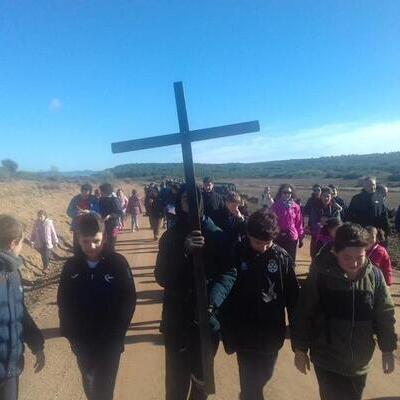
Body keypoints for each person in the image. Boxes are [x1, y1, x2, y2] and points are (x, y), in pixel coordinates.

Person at [293, 223, 397, 400]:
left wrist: (387, 348)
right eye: (347, 257)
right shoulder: (320, 275)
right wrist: (300, 349)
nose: (354, 263)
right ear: (335, 252)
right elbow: (304, 313)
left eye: (360, 257)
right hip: (327, 360)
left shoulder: (375, 277)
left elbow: (385, 314)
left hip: (360, 362)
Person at [154, 184, 236, 400]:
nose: (188, 204)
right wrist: (183, 251)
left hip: (206, 320)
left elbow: (229, 273)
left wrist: (211, 302)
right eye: (184, 200)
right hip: (176, 320)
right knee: (176, 381)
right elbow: (162, 277)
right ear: (179, 203)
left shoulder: (217, 235)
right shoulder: (170, 237)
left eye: (193, 199)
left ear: (201, 202)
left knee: (201, 381)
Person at [57, 213, 136, 400]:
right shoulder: (71, 267)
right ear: (77, 239)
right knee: (90, 382)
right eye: (85, 241)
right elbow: (63, 302)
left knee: (105, 387)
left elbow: (129, 300)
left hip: (110, 341)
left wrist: (118, 334)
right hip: (82, 341)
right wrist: (71, 335)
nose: (91, 246)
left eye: (96, 241)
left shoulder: (118, 263)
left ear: (105, 237)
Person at [221, 211, 299, 400]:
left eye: (267, 243)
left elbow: (293, 300)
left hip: (272, 334)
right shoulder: (236, 253)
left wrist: (298, 339)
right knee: (250, 385)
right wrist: (227, 332)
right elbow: (225, 293)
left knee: (265, 375)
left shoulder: (282, 258)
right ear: (248, 235)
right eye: (257, 243)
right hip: (244, 333)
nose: (263, 248)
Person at [0, 215, 45, 399]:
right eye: (22, 242)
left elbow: (20, 313)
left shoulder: (13, 273)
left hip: (11, 366)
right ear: (13, 243)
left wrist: (36, 344)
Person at [271, 184, 304, 264]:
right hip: (278, 235)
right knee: (278, 258)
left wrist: (301, 237)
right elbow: (271, 221)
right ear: (280, 193)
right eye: (284, 192)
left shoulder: (296, 206)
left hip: (292, 236)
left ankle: (290, 275)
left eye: (289, 192)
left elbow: (299, 223)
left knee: (291, 259)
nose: (287, 194)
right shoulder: (275, 206)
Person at [308, 187, 342, 258]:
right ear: (320, 196)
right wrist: (328, 222)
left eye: (328, 196)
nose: (326, 198)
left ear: (331, 197)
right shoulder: (315, 207)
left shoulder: (335, 209)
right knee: (315, 256)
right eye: (324, 196)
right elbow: (313, 221)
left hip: (331, 238)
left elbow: (337, 223)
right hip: (317, 236)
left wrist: (324, 222)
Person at [67, 183, 99, 254]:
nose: (85, 194)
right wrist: (76, 213)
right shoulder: (75, 199)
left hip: (90, 226)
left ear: (90, 192)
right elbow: (68, 211)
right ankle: (77, 260)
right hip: (77, 226)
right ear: (81, 191)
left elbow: (98, 211)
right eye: (83, 192)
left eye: (87, 192)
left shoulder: (94, 199)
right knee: (77, 245)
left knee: (88, 244)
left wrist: (89, 212)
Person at [98, 183, 123, 252]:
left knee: (112, 243)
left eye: (101, 191)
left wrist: (110, 216)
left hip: (115, 226)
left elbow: (120, 213)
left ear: (106, 191)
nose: (100, 192)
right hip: (103, 225)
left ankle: (112, 259)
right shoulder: (100, 200)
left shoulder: (114, 200)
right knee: (104, 244)